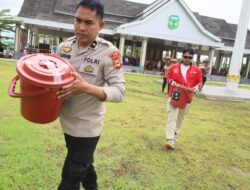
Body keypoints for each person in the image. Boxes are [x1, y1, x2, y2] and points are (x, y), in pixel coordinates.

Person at [55, 0, 126, 189]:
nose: (81, 27)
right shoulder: (64, 47)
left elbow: (119, 91)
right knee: (86, 168)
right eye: (77, 20)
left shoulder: (109, 53)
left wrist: (85, 87)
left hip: (88, 127)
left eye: (88, 23)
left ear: (100, 25)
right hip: (67, 122)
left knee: (71, 176)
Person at [165, 48, 202, 149]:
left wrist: (197, 87)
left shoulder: (197, 70)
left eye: (189, 57)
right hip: (175, 94)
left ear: (192, 58)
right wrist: (171, 81)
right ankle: (170, 139)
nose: (187, 59)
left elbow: (200, 82)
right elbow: (168, 78)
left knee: (180, 118)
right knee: (172, 116)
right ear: (182, 56)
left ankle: (175, 132)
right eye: (185, 57)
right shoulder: (174, 67)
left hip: (187, 96)